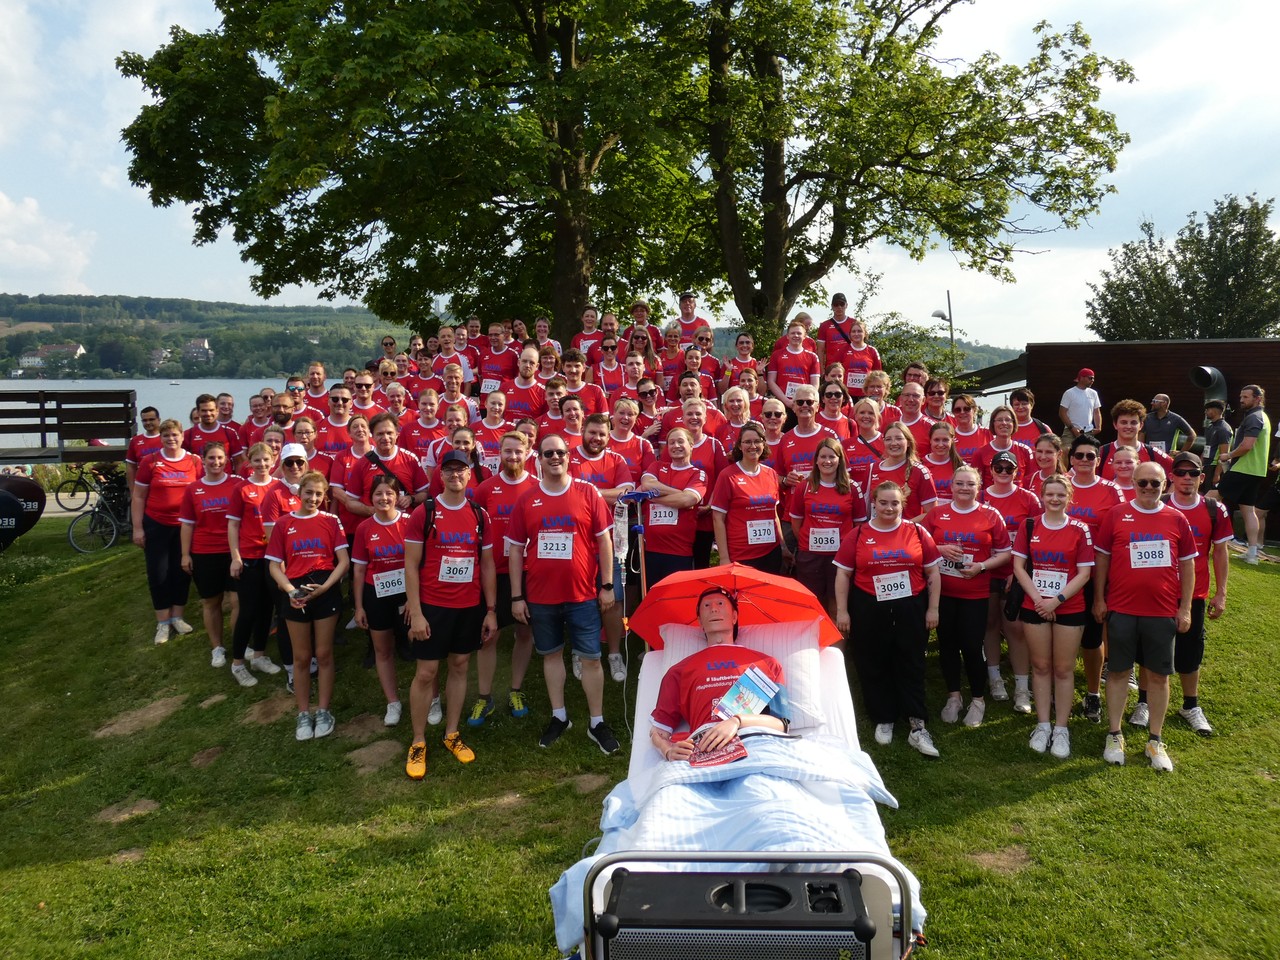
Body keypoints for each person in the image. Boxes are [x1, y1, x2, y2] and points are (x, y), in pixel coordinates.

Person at [507, 434, 620, 754]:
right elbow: (515, 550)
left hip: (582, 594)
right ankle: (560, 716)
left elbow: (604, 542)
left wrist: (607, 585)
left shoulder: (587, 493)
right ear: (538, 459)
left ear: (569, 456)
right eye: (548, 453)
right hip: (541, 597)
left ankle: (596, 722)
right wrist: (517, 596)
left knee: (592, 659)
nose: (555, 457)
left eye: (560, 452)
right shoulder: (527, 500)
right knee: (551, 655)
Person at [1092, 462, 1196, 771]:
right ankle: (1114, 734)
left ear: (1165, 485)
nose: (1148, 488)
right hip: (1121, 609)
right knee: (1118, 672)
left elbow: (1189, 565)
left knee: (1159, 676)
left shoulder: (1177, 519)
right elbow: (1102, 558)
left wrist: (1186, 607)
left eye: (1155, 483)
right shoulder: (1116, 515)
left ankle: (1155, 740)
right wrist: (1099, 598)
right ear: (1133, 484)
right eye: (1143, 483)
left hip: (1162, 611)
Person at [402, 452, 498, 776]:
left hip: (468, 606)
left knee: (459, 666)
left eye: (461, 469)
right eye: (449, 469)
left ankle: (452, 733)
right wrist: (415, 612)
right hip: (432, 606)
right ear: (440, 475)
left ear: (470, 475)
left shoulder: (480, 515)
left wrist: (490, 611)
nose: (455, 474)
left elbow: (487, 566)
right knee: (426, 673)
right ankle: (418, 741)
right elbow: (411, 567)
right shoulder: (424, 512)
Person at [834, 481, 943, 757]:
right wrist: (843, 611)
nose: (889, 507)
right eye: (883, 502)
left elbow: (933, 574)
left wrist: (933, 609)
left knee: (911, 660)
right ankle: (884, 717)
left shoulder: (917, 532)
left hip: (911, 605)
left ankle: (917, 723)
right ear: (874, 503)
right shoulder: (858, 534)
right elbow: (843, 574)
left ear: (902, 505)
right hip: (869, 605)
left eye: (894, 503)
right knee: (872, 660)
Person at [1132, 452, 1231, 736]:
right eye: (1181, 473)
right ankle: (1144, 702)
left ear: (1202, 477)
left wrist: (1221, 592)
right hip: (1156, 595)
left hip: (1193, 596)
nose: (1187, 478)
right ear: (1171, 477)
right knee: (1148, 651)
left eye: (1193, 473)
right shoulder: (1156, 505)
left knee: (1190, 653)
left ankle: (1190, 705)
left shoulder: (1215, 509)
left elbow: (1220, 553)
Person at [649, 587, 791, 763]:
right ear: (700, 622)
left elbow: (782, 725)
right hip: (703, 750)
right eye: (707, 605)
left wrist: (737, 721)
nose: (714, 609)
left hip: (753, 743)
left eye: (720, 604)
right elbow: (658, 731)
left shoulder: (768, 664)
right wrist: (667, 750)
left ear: (734, 617)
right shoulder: (679, 671)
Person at [1011, 474, 1095, 758]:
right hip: (1034, 605)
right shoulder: (1029, 525)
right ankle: (1043, 724)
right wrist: (1038, 600)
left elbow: (1084, 573)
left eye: (1061, 495)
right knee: (1041, 665)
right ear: (1043, 496)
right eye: (1050, 495)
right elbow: (1019, 567)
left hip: (1069, 607)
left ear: (1069, 497)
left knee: (1063, 669)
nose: (1055, 499)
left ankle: (1061, 729)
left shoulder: (1079, 529)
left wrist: (1056, 601)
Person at [922, 465, 1012, 728]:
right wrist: (939, 547)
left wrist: (982, 567)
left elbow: (1005, 552)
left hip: (975, 593)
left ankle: (978, 699)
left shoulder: (990, 515)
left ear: (978, 487)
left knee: (972, 647)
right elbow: (921, 545)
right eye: (959, 483)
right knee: (947, 645)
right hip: (943, 593)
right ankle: (954, 696)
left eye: (970, 484)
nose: (964, 488)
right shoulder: (938, 513)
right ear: (951, 486)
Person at [267, 471, 350, 741]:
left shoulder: (331, 521)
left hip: (325, 590)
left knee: (324, 654)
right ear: (299, 493)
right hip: (296, 591)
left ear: (324, 496)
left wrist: (326, 588)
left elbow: (343, 562)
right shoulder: (283, 523)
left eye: (318, 494)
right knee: (301, 657)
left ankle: (324, 710)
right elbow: (274, 565)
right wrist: (291, 590)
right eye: (308, 492)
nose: (313, 498)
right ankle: (303, 713)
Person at [470, 431, 540, 725]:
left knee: (525, 632)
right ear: (498, 453)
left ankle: (515, 689)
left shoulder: (537, 487)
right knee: (490, 636)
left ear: (527, 452)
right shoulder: (485, 489)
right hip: (494, 572)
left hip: (527, 572)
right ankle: (484, 697)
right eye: (507, 451)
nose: (512, 457)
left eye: (518, 451)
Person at [981, 450, 1043, 709]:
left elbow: (1038, 536)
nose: (1004, 472)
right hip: (986, 570)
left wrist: (1018, 571)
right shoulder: (980, 496)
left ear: (1017, 472)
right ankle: (995, 678)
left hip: (1015, 572)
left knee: (1016, 629)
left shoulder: (1028, 499)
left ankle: (1021, 687)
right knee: (990, 624)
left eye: (1009, 469)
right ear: (991, 470)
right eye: (999, 468)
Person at [132, 418, 202, 645]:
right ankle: (163, 622)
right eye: (166, 436)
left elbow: (202, 492)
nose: (171, 439)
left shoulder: (194, 461)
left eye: (175, 435)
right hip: (157, 523)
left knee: (182, 570)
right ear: (160, 438)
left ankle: (178, 617)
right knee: (158, 573)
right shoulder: (150, 461)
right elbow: (139, 496)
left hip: (185, 526)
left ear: (183, 436)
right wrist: (138, 528)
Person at [350, 475, 411, 729]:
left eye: (389, 493)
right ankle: (393, 702)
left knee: (422, 649)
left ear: (397, 496)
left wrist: (414, 599)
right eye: (378, 494)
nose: (384, 498)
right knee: (383, 650)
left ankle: (433, 698)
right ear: (370, 498)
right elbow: (359, 571)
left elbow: (421, 564)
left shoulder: (410, 523)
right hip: (376, 594)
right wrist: (359, 607)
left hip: (409, 595)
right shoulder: (365, 528)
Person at [226, 442, 288, 688]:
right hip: (250, 557)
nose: (262, 465)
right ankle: (238, 663)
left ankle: (260, 655)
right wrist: (235, 556)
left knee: (267, 609)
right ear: (249, 462)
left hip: (272, 557)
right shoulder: (241, 489)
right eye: (257, 460)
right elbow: (232, 525)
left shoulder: (278, 487)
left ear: (274, 462)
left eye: (267, 460)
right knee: (248, 611)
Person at [178, 443, 242, 670]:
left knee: (237, 601)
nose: (216, 462)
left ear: (226, 460)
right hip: (204, 552)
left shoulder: (237, 484)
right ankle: (217, 647)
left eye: (220, 458)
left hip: (234, 551)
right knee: (211, 601)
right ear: (203, 460)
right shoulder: (193, 489)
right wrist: (185, 554)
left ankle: (239, 644)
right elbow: (187, 525)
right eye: (211, 458)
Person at [789, 437, 865, 616]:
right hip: (810, 555)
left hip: (840, 556)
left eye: (832, 456)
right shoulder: (804, 486)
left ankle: (838, 643)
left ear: (840, 459)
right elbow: (796, 521)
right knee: (812, 602)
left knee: (837, 602)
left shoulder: (852, 488)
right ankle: (814, 641)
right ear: (816, 460)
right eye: (823, 457)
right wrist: (806, 544)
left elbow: (859, 525)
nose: (827, 461)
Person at [710, 422, 790, 574]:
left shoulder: (771, 474)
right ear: (739, 446)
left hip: (771, 552)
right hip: (741, 555)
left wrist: (783, 546)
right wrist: (724, 558)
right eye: (747, 442)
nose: (752, 446)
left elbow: (774, 515)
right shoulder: (727, 475)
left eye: (757, 441)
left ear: (763, 444)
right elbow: (718, 518)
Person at [639, 427, 708, 586]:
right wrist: (678, 493)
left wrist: (654, 498)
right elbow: (647, 485)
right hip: (651, 551)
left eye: (680, 441)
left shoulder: (697, 474)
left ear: (691, 445)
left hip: (679, 552)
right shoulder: (656, 467)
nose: (676, 445)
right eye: (671, 442)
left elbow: (686, 500)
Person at [1217, 384, 1271, 564]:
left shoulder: (1254, 418)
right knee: (1248, 510)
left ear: (1258, 398)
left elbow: (1247, 445)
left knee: (1211, 497)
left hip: (1243, 468)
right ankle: (1252, 554)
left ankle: (1195, 536)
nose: (1241, 400)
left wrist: (1228, 455)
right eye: (1241, 397)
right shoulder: (1262, 417)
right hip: (1256, 471)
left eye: (1246, 397)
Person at [865, 420, 937, 521]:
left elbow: (932, 513)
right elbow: (866, 509)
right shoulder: (872, 469)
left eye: (899, 438)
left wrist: (903, 527)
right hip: (877, 533)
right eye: (888, 439)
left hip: (906, 534)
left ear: (908, 442)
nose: (893, 443)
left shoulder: (919, 471)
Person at [767, 319, 822, 413]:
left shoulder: (812, 357)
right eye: (793, 333)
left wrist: (807, 401)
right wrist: (787, 401)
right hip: (782, 404)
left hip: (804, 404)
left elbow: (815, 384)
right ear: (787, 336)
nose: (796, 336)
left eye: (799, 333)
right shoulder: (777, 355)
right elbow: (771, 381)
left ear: (804, 336)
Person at [973, 405, 1033, 487]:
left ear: (1014, 423)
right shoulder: (980, 453)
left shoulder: (1025, 451)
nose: (1004, 423)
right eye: (999, 420)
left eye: (1008, 420)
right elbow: (976, 485)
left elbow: (1031, 482)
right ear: (993, 423)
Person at [922, 421, 963, 504]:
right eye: (936, 440)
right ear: (930, 440)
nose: (940, 444)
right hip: (926, 515)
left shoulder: (961, 466)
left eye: (945, 440)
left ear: (952, 440)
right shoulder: (920, 465)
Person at [1059, 368, 1102, 441]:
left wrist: (1098, 427)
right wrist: (1072, 428)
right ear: (1082, 378)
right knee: (1066, 450)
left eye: (1093, 378)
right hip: (1070, 431)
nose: (1092, 381)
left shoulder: (1094, 393)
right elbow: (1062, 413)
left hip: (1088, 432)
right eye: (1090, 378)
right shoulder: (1069, 393)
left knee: (1090, 451)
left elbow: (1096, 412)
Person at [125, 406, 163, 487]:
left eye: (151, 419)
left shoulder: (167, 438)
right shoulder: (135, 441)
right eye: (145, 420)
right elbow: (131, 467)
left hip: (163, 483)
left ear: (159, 420)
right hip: (143, 485)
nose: (148, 423)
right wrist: (132, 491)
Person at [1201, 399, 1232, 496]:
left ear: (1214, 410)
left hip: (1214, 467)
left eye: (1207, 409)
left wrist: (1217, 474)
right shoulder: (1211, 427)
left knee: (1211, 496)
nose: (1206, 412)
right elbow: (1206, 447)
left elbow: (1224, 453)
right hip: (1207, 466)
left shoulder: (1223, 428)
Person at [950, 394, 990, 466]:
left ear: (974, 410)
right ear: (953, 412)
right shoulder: (949, 436)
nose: (962, 412)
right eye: (958, 410)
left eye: (966, 409)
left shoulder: (987, 433)